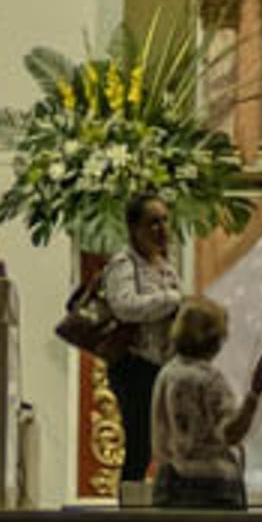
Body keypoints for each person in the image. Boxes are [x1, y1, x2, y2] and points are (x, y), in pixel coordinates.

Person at [79, 197, 186, 504]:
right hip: (134, 364)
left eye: (164, 220)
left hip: (162, 365)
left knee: (160, 444)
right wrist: (170, 301)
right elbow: (124, 307)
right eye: (153, 222)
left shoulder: (165, 267)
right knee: (139, 445)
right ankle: (129, 514)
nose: (161, 229)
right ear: (134, 228)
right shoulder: (123, 264)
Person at [148, 296, 262, 507]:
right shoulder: (209, 380)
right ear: (214, 339)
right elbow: (231, 433)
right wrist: (253, 395)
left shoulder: (166, 374)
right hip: (211, 486)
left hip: (168, 481)